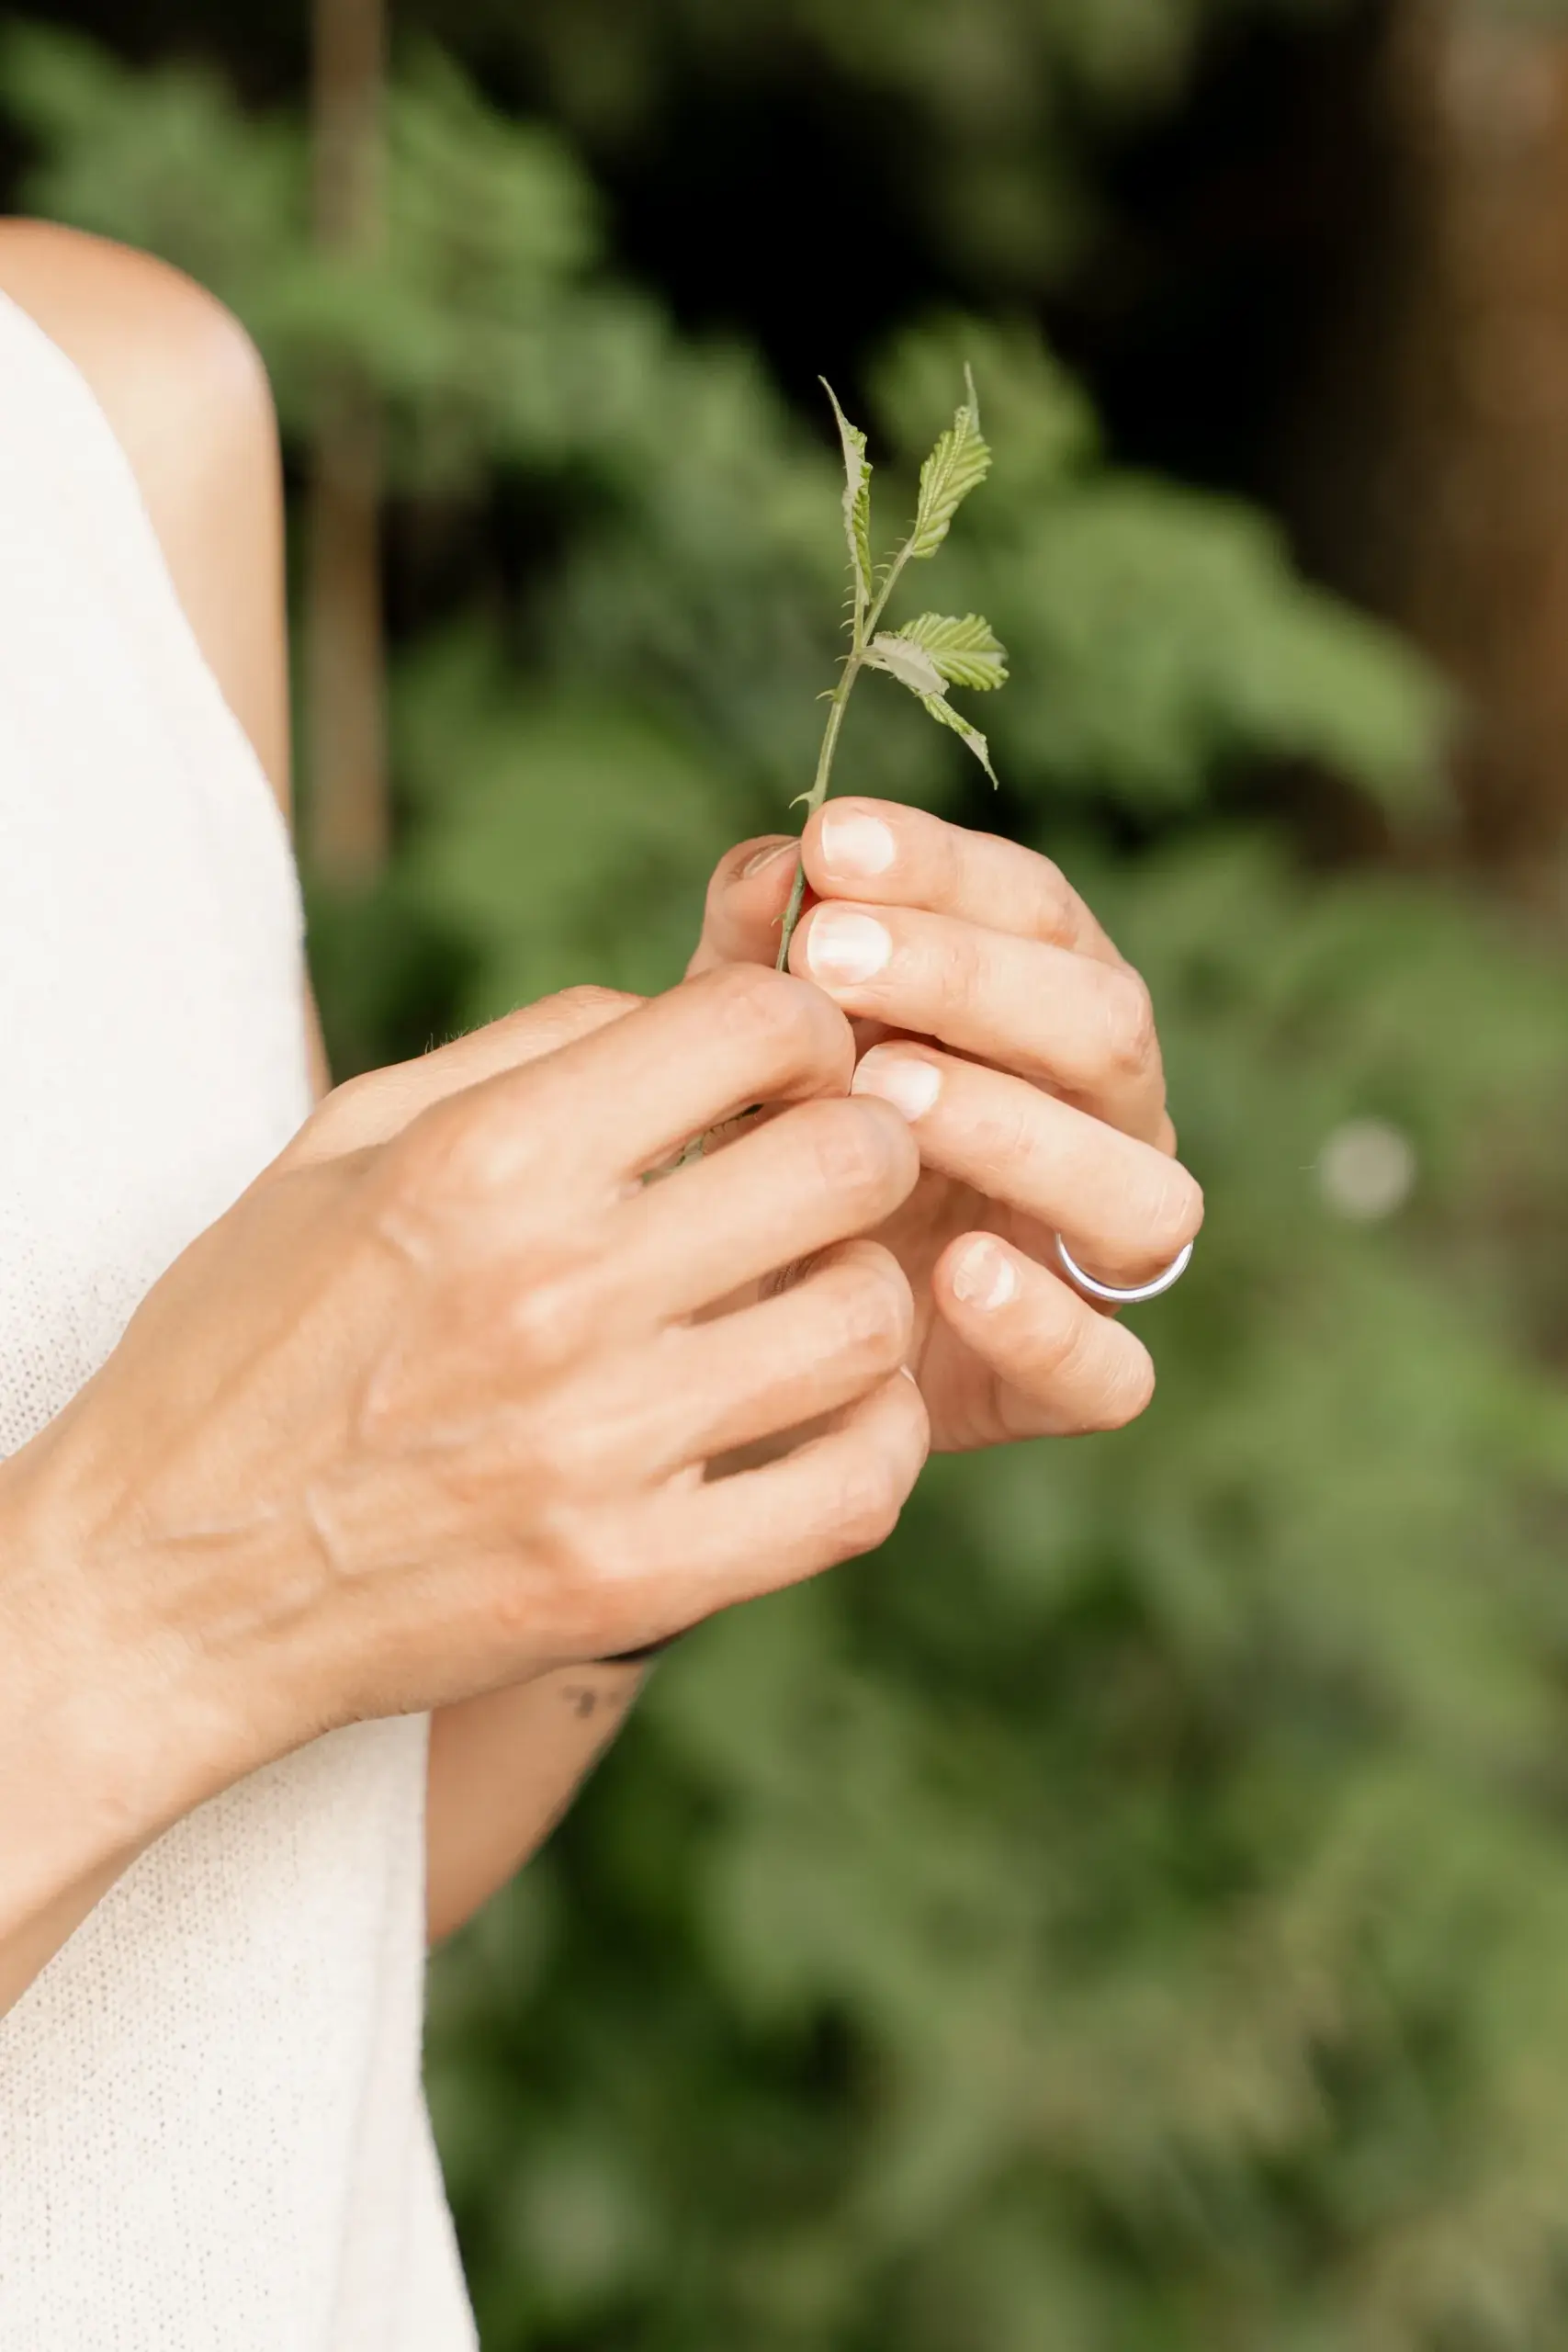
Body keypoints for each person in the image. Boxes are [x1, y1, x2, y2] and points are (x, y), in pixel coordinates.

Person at [0, 221, 1202, 2349]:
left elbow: (276, 1938)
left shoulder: (104, 411)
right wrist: (157, 1597)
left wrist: (698, 1374)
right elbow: (190, 1636)